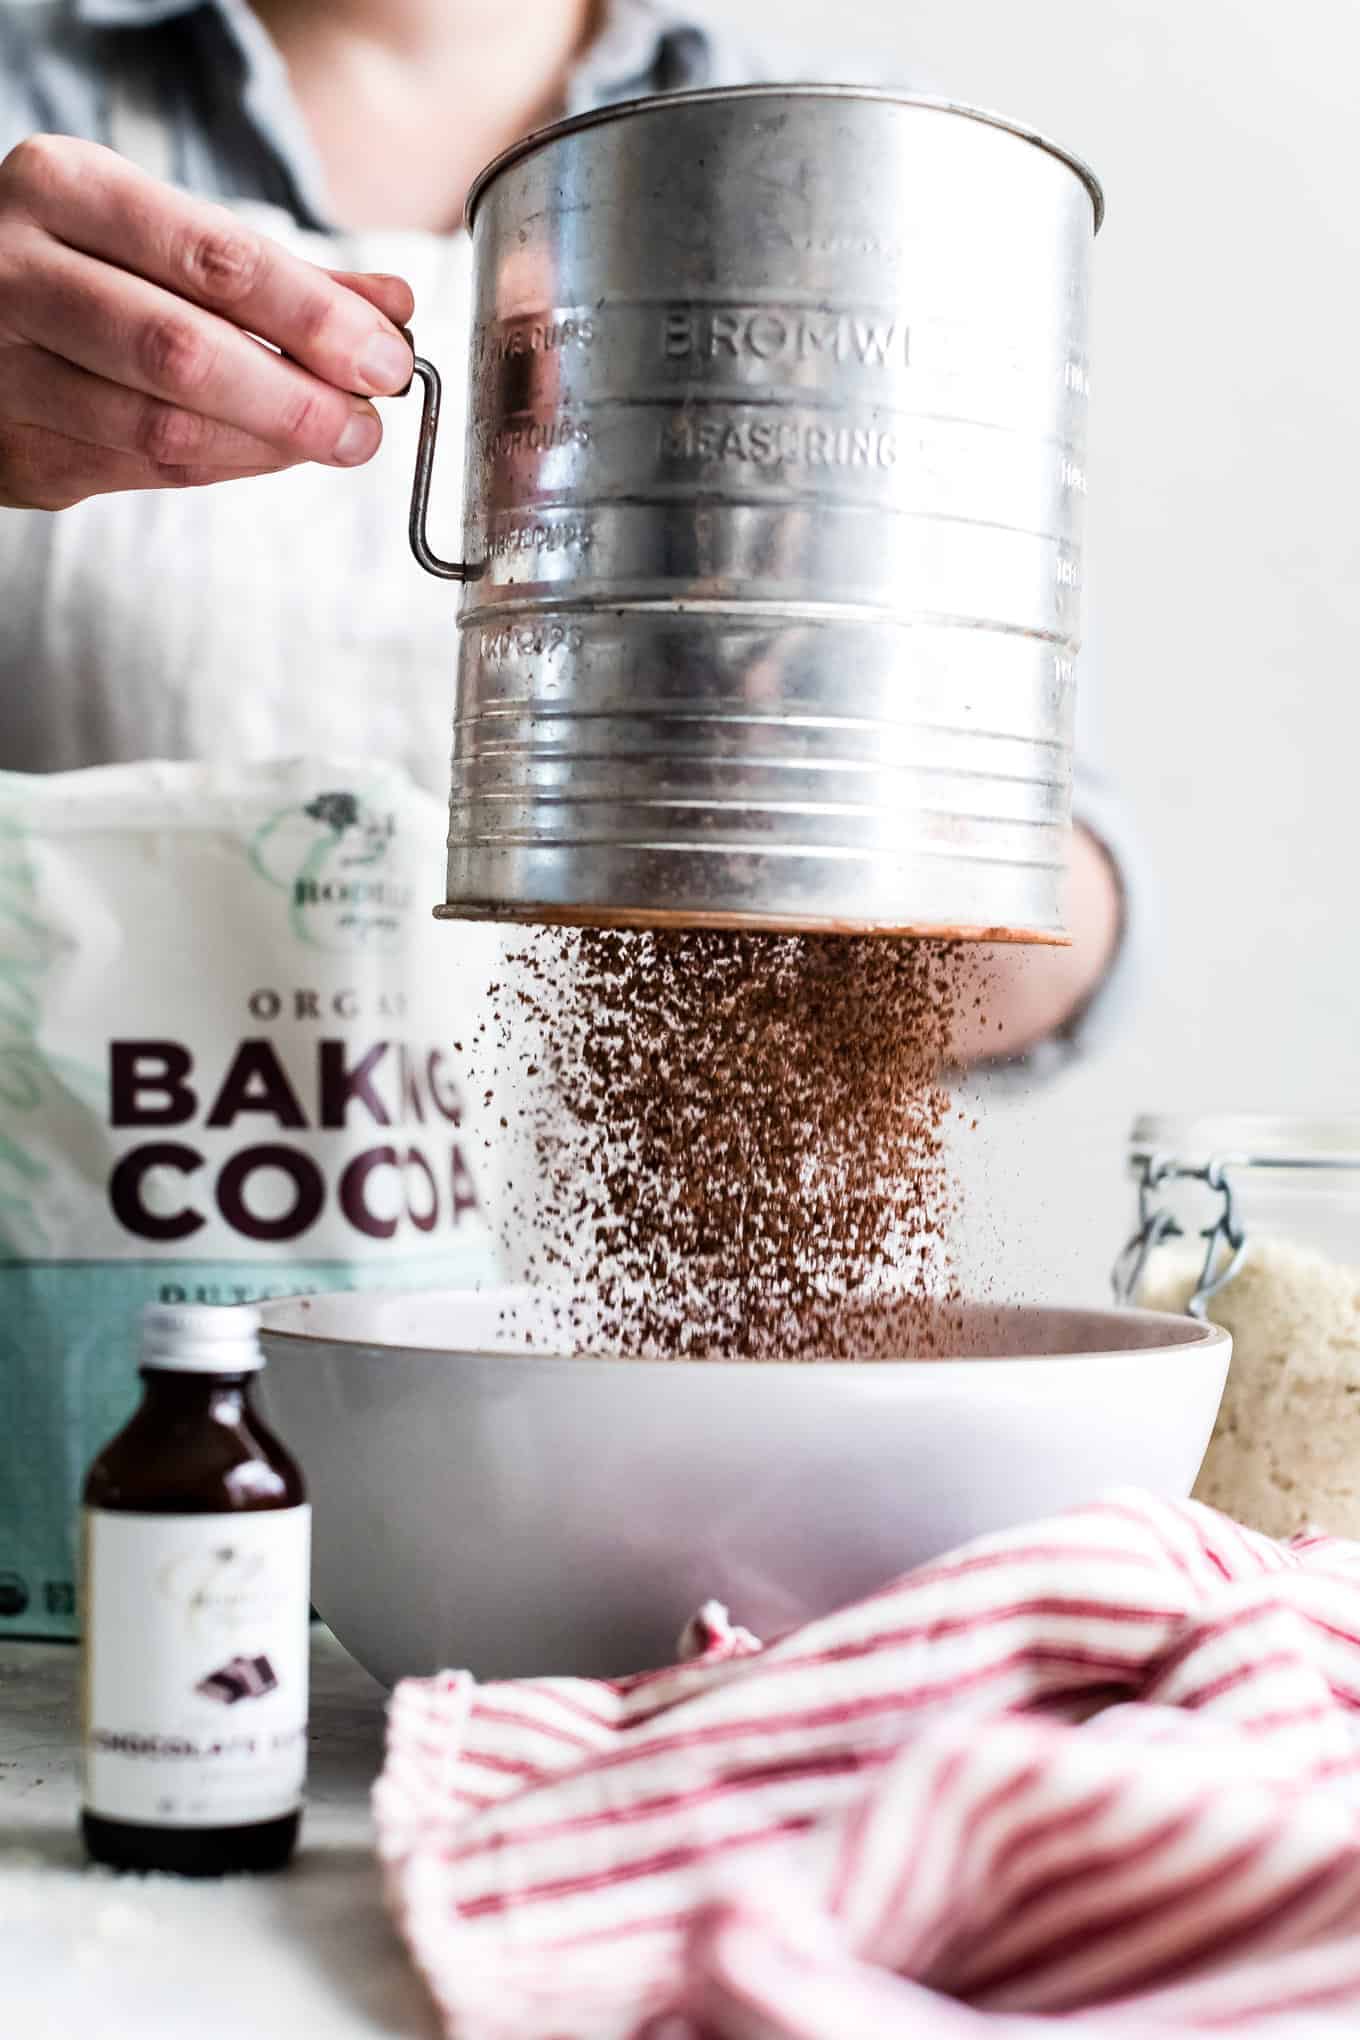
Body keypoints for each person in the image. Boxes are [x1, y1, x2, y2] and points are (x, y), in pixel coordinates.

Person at [0, 0, 1126, 1067]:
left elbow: (1061, 917)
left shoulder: (871, 166)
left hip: (648, 1246)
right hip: (92, 1226)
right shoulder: (24, 95)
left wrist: (850, 808)